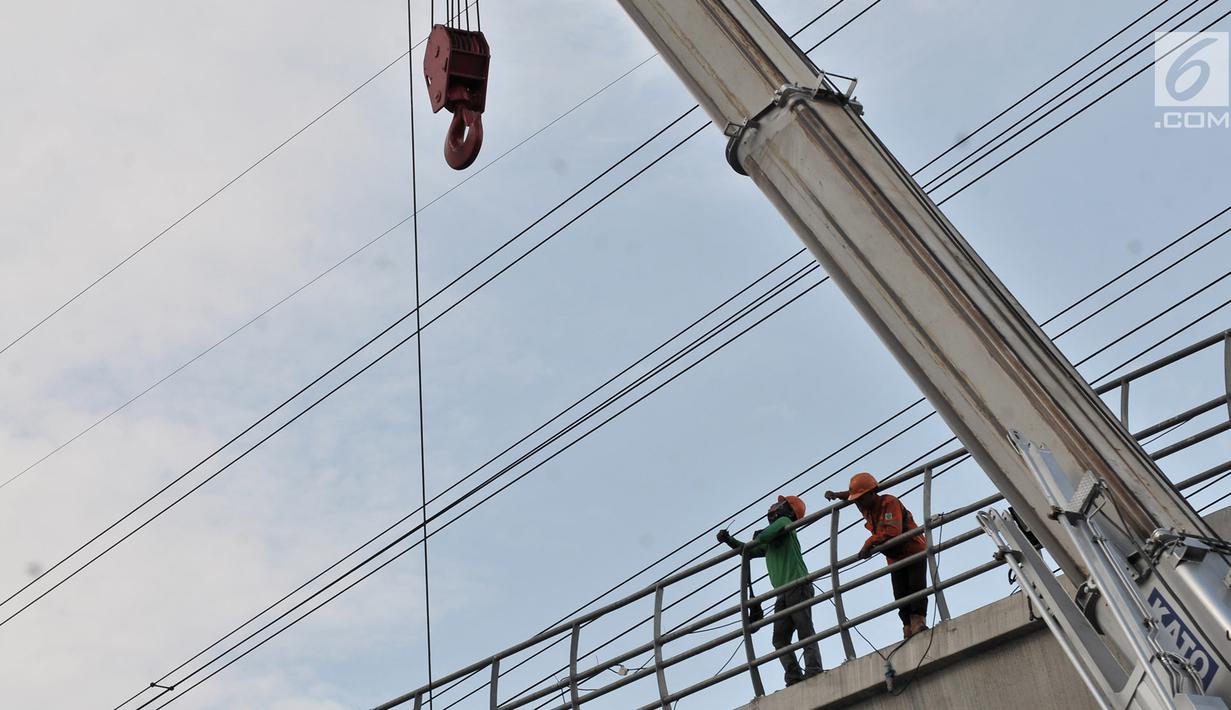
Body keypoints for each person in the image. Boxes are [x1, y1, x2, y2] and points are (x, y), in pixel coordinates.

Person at [717, 495, 823, 686]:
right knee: (780, 639)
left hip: (798, 585)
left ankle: (814, 670)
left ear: (788, 510)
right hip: (782, 592)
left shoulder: (785, 522)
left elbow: (764, 536)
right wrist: (729, 540)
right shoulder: (771, 540)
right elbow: (747, 551)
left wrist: (759, 536)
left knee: (804, 630)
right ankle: (794, 677)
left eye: (777, 505)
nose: (772, 508)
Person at [826, 472, 930, 639]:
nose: (858, 502)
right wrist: (838, 495)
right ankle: (907, 628)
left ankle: (918, 622)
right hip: (894, 557)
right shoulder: (864, 504)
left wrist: (869, 542)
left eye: (861, 498)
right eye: (856, 499)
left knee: (916, 587)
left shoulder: (889, 502)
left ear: (872, 493)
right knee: (900, 593)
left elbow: (892, 531)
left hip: (913, 550)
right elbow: (853, 495)